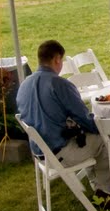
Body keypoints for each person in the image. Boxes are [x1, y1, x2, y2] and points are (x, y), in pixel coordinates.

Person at [16, 39, 101, 167]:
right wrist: (101, 127)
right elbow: (82, 116)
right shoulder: (58, 84)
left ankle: (95, 181)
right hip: (59, 153)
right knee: (104, 141)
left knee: (86, 137)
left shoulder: (24, 85)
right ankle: (105, 186)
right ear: (57, 59)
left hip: (39, 153)